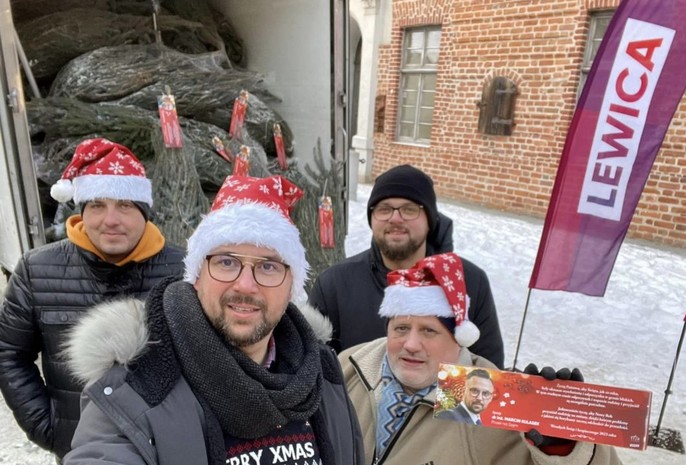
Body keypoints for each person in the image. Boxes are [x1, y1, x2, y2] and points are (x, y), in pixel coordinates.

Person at [62, 174, 364, 465]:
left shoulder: (320, 372)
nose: (245, 285)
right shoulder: (138, 386)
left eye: (268, 267)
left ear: (291, 287)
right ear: (197, 276)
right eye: (226, 262)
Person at [339, 253, 622, 465]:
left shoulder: (485, 395)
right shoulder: (350, 365)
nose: (411, 345)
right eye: (401, 328)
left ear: (458, 339)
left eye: (429, 331)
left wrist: (563, 446)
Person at [0, 138, 185, 460]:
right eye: (97, 205)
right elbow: (9, 353)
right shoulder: (36, 270)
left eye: (125, 205)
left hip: (168, 448)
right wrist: (49, 427)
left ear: (145, 212)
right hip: (80, 450)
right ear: (82, 211)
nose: (110, 220)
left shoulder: (185, 270)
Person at [310, 164, 504, 367]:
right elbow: (312, 369)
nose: (395, 218)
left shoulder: (470, 281)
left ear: (429, 221)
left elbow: (488, 371)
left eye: (409, 210)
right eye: (384, 209)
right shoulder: (334, 284)